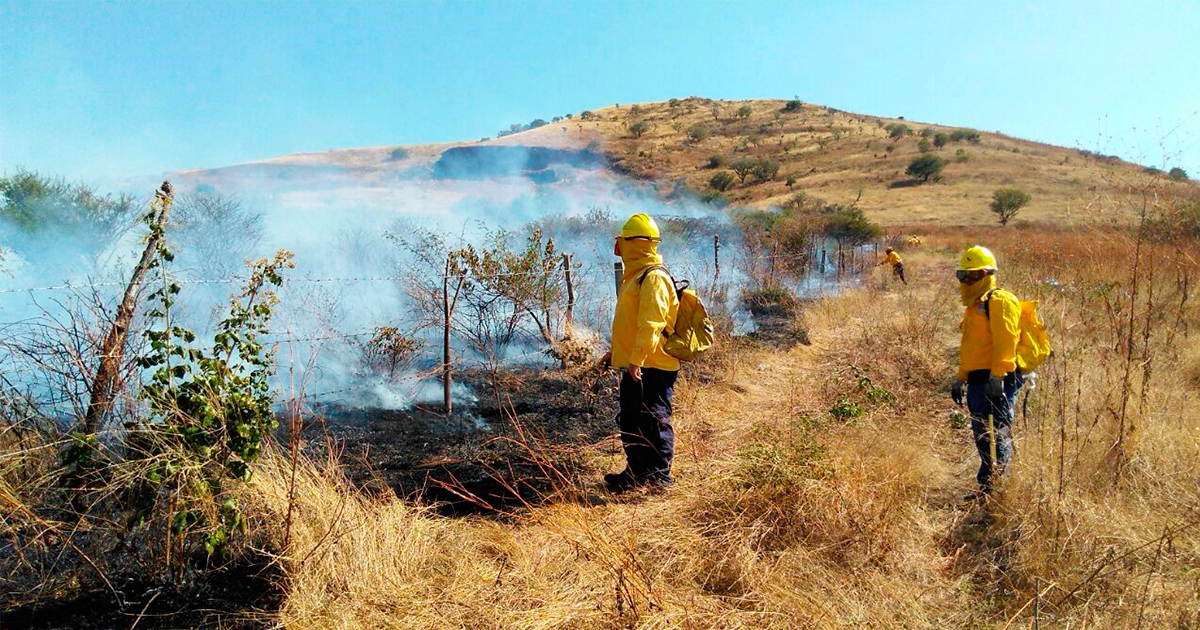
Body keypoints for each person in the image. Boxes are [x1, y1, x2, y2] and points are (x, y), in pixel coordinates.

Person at [600, 213, 680, 492]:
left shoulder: (654, 278)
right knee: (632, 419)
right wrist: (615, 353)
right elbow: (630, 324)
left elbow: (651, 324)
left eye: (623, 241)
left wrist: (637, 360)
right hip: (637, 363)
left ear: (635, 244)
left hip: (652, 365)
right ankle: (635, 473)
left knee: (654, 419)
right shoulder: (635, 277)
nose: (618, 247)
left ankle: (659, 478)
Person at [950, 245, 1024, 495]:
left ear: (987, 274)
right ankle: (987, 487)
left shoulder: (1000, 301)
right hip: (978, 379)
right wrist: (960, 378)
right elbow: (971, 347)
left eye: (972, 275)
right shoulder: (974, 306)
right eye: (962, 275)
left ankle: (997, 491)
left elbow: (1007, 340)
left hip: (996, 379)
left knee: (996, 433)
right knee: (982, 434)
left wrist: (998, 375)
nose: (966, 280)